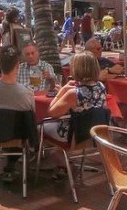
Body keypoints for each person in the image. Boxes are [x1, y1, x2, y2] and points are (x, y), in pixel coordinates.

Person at [45, 51, 108, 180]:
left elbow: (52, 112)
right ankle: (63, 162)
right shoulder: (101, 87)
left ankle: (62, 162)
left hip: (74, 135)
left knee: (39, 128)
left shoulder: (74, 93)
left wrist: (62, 90)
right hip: (92, 135)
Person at [0, 45, 35, 183]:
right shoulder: (27, 93)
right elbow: (31, 118)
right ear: (18, 65)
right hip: (16, 136)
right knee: (21, 124)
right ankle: (10, 167)